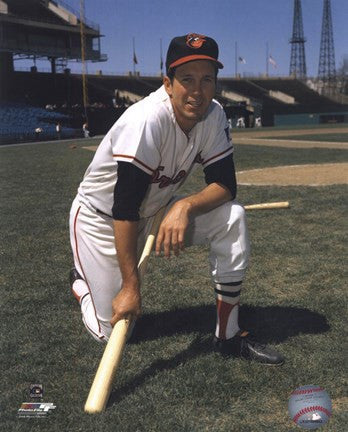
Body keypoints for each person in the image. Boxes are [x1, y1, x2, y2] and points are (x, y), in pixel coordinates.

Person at [69, 33, 284, 365]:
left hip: (157, 209)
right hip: (102, 220)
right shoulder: (146, 120)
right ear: (167, 83)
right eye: (187, 79)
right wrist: (130, 285)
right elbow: (124, 207)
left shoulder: (213, 116)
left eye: (206, 79)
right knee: (112, 332)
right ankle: (82, 287)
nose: (197, 91)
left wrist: (184, 206)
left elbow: (226, 185)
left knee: (233, 217)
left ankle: (227, 336)